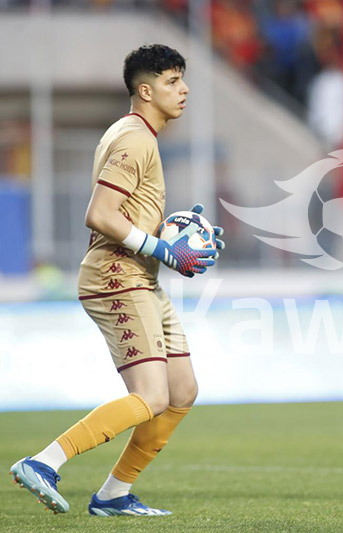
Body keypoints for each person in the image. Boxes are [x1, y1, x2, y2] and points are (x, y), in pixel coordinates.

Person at [10, 44, 224, 516]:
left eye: (183, 79)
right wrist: (164, 248)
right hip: (116, 275)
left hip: (139, 276)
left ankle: (113, 495)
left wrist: (179, 231)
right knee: (151, 396)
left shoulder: (134, 133)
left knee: (181, 391)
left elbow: (126, 212)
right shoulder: (135, 139)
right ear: (145, 90)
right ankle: (44, 461)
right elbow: (100, 214)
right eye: (172, 81)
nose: (184, 89)